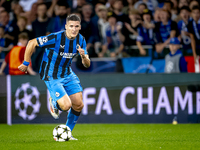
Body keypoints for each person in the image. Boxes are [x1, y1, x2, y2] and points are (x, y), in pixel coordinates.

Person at [18, 14, 90, 140]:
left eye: (76, 26)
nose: (74, 29)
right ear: (66, 26)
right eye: (71, 26)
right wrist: (25, 62)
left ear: (79, 27)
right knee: (66, 106)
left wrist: (84, 56)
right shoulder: (56, 37)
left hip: (67, 73)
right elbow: (31, 42)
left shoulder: (81, 40)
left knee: (78, 104)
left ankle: (67, 133)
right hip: (51, 75)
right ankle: (54, 103)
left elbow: (87, 64)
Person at [187, 5, 200, 72]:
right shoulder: (190, 24)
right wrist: (194, 54)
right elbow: (192, 39)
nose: (196, 15)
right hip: (197, 48)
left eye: (197, 12)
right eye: (194, 13)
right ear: (191, 14)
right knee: (197, 68)